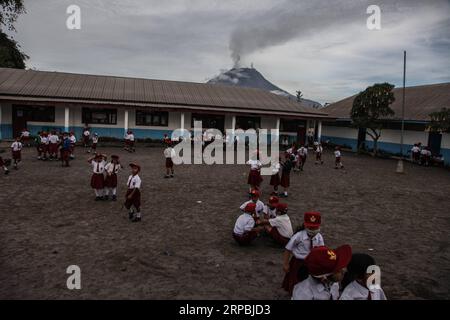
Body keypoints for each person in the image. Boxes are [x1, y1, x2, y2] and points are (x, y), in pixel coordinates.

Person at [282, 212, 324, 294]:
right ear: (305, 225)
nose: (312, 230)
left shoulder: (319, 237)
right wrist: (285, 264)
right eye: (310, 227)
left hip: (312, 263)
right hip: (298, 263)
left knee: (310, 282)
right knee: (295, 280)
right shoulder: (298, 236)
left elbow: (321, 251)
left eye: (314, 227)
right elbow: (288, 249)